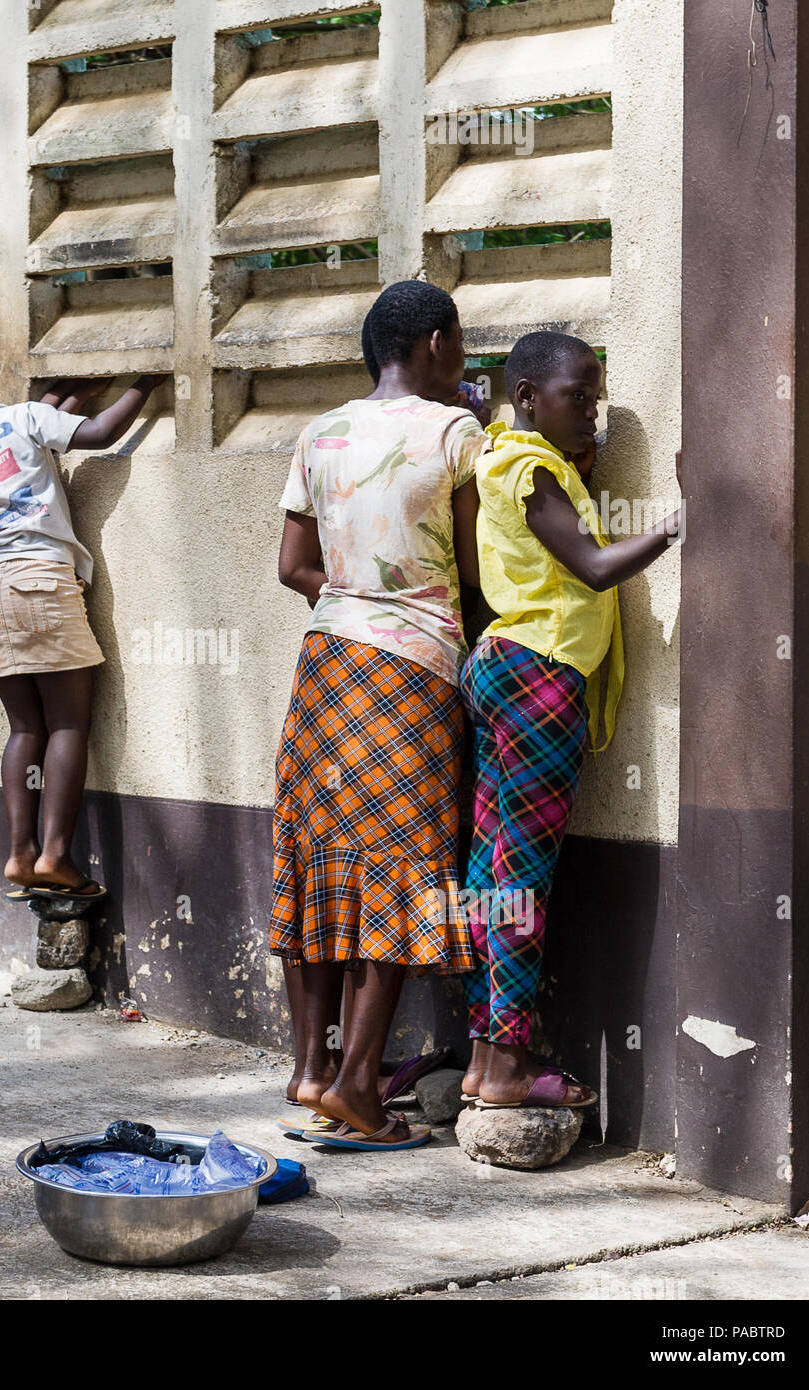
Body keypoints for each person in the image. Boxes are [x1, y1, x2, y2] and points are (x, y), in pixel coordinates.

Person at [272, 280, 487, 1152]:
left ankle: (311, 1071)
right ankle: (361, 1087)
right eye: (461, 343)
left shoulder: (319, 431)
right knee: (403, 871)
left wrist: (359, 599)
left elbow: (293, 566)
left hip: (325, 666)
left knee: (319, 859)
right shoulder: (457, 433)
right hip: (412, 676)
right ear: (435, 342)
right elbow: (478, 575)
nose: (465, 359)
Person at [458, 330, 680, 1109]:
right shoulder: (530, 468)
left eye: (598, 398)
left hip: (501, 667)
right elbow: (591, 566)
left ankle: (486, 1059)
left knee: (491, 874)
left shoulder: (505, 455)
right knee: (522, 876)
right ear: (526, 397)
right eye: (577, 397)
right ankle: (513, 1062)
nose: (593, 412)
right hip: (540, 676)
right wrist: (679, 523)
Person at [0, 331, 165, 903]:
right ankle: (57, 854)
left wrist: (60, 401)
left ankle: (20, 851)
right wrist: (146, 383)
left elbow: (16, 448)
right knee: (70, 725)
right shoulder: (25, 417)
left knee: (25, 728)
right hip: (43, 581)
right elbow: (99, 434)